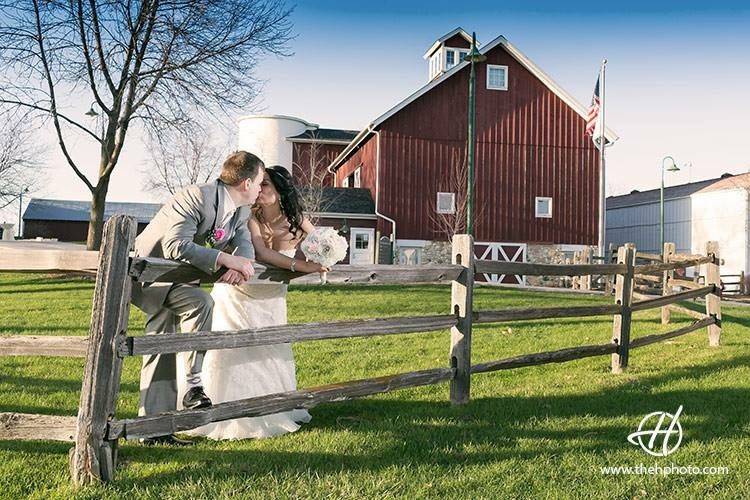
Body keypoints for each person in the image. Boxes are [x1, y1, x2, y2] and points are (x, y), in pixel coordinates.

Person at [180, 165, 328, 440]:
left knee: (269, 350)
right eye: (259, 185)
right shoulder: (248, 216)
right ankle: (221, 410)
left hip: (271, 298)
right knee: (232, 348)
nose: (260, 190)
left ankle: (271, 407)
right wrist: (300, 266)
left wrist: (325, 256)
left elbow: (321, 242)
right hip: (238, 294)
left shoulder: (296, 219)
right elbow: (261, 252)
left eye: (267, 185)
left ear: (281, 191)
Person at [131, 151, 264, 445]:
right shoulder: (197, 197)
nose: (260, 190)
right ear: (245, 183)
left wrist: (238, 263)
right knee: (171, 333)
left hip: (178, 280)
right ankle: (185, 395)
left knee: (168, 339)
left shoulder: (240, 211)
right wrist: (224, 260)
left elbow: (245, 248)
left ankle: (157, 428)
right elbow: (175, 245)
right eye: (259, 183)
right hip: (150, 275)